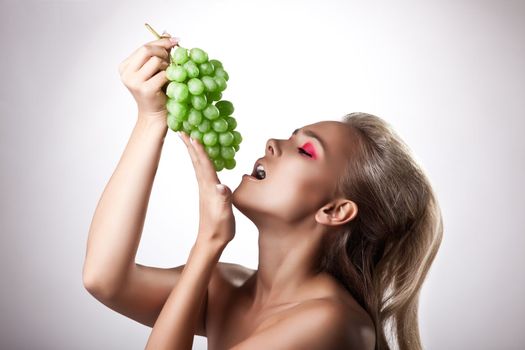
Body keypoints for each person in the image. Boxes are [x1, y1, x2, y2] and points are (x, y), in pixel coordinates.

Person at [82, 34, 443, 350]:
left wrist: (208, 242)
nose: (272, 143)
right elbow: (104, 277)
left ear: (335, 211)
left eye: (305, 150)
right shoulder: (227, 286)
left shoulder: (332, 323)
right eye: (290, 136)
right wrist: (151, 119)